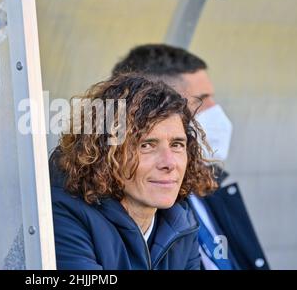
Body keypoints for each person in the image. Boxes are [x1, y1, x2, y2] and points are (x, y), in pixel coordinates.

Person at [112, 44, 269, 270]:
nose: (216, 110)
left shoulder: (211, 183)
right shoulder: (145, 200)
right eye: (202, 99)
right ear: (157, 105)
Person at [50, 74, 216, 269]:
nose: (169, 163)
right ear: (104, 153)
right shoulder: (62, 215)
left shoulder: (181, 222)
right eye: (146, 145)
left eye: (177, 144)